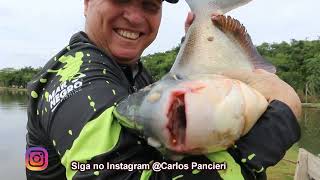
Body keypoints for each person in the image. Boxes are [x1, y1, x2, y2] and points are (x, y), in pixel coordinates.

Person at [26, 0, 301, 179]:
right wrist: (280, 120)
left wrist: (196, 43)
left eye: (150, 5)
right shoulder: (72, 77)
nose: (135, 17)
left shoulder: (132, 74)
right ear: (86, 3)